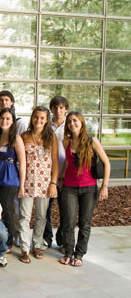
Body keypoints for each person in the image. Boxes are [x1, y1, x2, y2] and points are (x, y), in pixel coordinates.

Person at [58, 112, 110, 267]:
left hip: (89, 188)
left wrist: (104, 186)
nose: (72, 124)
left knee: (85, 223)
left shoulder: (92, 141)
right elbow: (68, 162)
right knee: (68, 222)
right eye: (69, 121)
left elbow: (107, 163)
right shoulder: (65, 141)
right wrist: (61, 178)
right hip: (69, 188)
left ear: (81, 123)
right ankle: (68, 252)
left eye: (75, 121)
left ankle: (79, 254)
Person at [18, 106, 58, 263]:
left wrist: (53, 183)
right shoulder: (24, 136)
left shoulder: (51, 137)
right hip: (27, 181)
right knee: (24, 216)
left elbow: (55, 161)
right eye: (36, 117)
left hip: (44, 183)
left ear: (47, 119)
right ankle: (24, 248)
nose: (38, 120)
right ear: (31, 118)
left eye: (42, 118)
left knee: (41, 216)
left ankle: (37, 244)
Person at [0, 108, 26, 250]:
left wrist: (22, 185)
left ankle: (8, 242)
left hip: (10, 178)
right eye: (2, 118)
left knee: (7, 210)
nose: (4, 121)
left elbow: (22, 162)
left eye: (8, 119)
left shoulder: (16, 138)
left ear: (12, 121)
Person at [44, 96, 69, 249]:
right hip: (48, 174)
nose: (58, 110)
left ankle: (62, 238)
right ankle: (47, 238)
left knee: (66, 210)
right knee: (45, 208)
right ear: (51, 109)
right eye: (55, 107)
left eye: (61, 107)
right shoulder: (47, 125)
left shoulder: (71, 124)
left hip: (67, 175)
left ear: (65, 109)